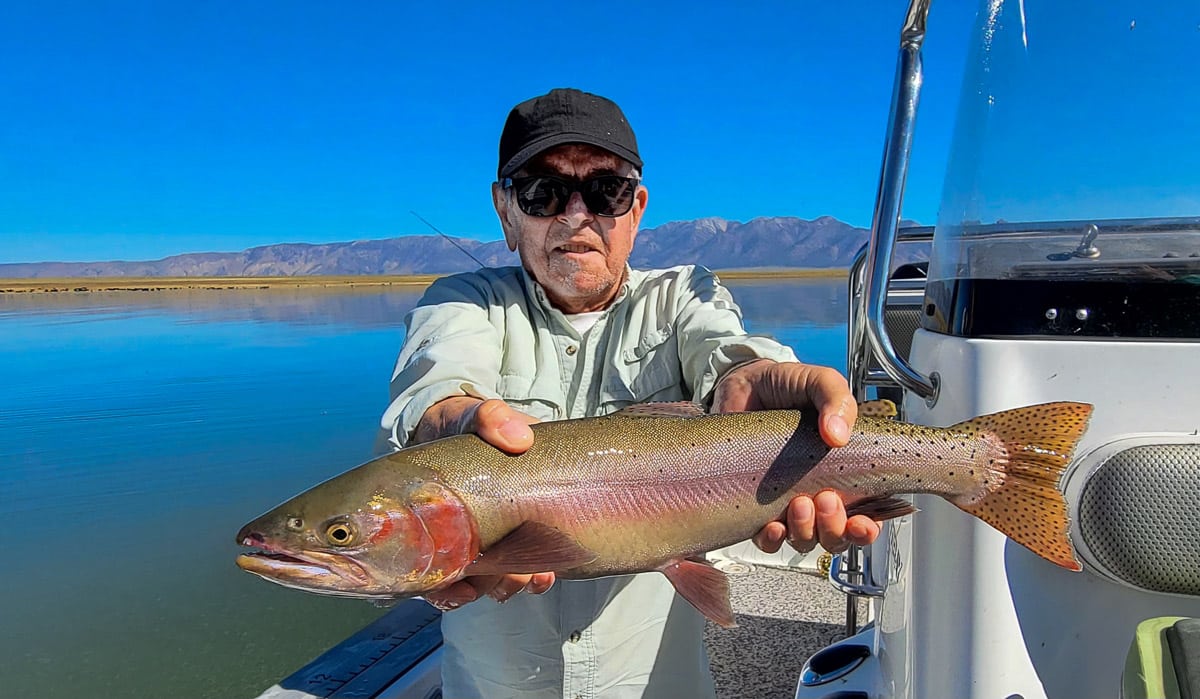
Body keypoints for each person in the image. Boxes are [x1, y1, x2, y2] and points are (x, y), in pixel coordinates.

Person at [380, 87, 880, 699]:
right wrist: (447, 419)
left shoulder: (684, 294)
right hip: (496, 678)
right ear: (506, 213)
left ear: (636, 208)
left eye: (605, 191)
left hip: (652, 676)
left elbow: (726, 351)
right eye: (542, 191)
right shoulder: (460, 302)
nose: (574, 216)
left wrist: (753, 375)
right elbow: (435, 385)